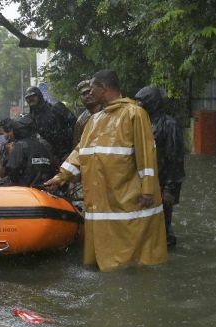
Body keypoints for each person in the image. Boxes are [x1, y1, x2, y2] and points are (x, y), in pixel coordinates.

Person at [44, 70, 167, 271]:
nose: (88, 93)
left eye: (92, 89)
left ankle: (131, 278)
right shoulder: (95, 120)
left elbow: (146, 153)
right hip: (100, 195)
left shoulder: (134, 113)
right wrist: (61, 176)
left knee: (133, 249)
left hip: (127, 193)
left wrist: (148, 189)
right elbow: (80, 152)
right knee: (106, 246)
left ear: (105, 88)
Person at [134, 85, 185, 250]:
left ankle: (167, 251)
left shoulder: (169, 125)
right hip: (147, 183)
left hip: (163, 183)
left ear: (151, 102)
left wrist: (170, 188)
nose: (138, 105)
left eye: (141, 101)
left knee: (163, 222)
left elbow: (176, 158)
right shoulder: (141, 123)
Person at [24, 86, 77, 164]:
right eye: (28, 98)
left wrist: (73, 150)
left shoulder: (56, 108)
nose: (30, 99)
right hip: (48, 157)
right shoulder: (31, 117)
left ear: (39, 96)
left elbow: (75, 124)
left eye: (33, 96)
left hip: (67, 153)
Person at [3, 114, 54, 187]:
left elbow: (10, 171)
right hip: (42, 188)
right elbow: (52, 168)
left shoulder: (20, 145)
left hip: (25, 189)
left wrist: (10, 155)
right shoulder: (44, 145)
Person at [73, 80, 103, 148]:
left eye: (89, 92)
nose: (87, 96)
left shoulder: (109, 110)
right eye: (84, 94)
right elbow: (76, 147)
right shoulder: (80, 122)